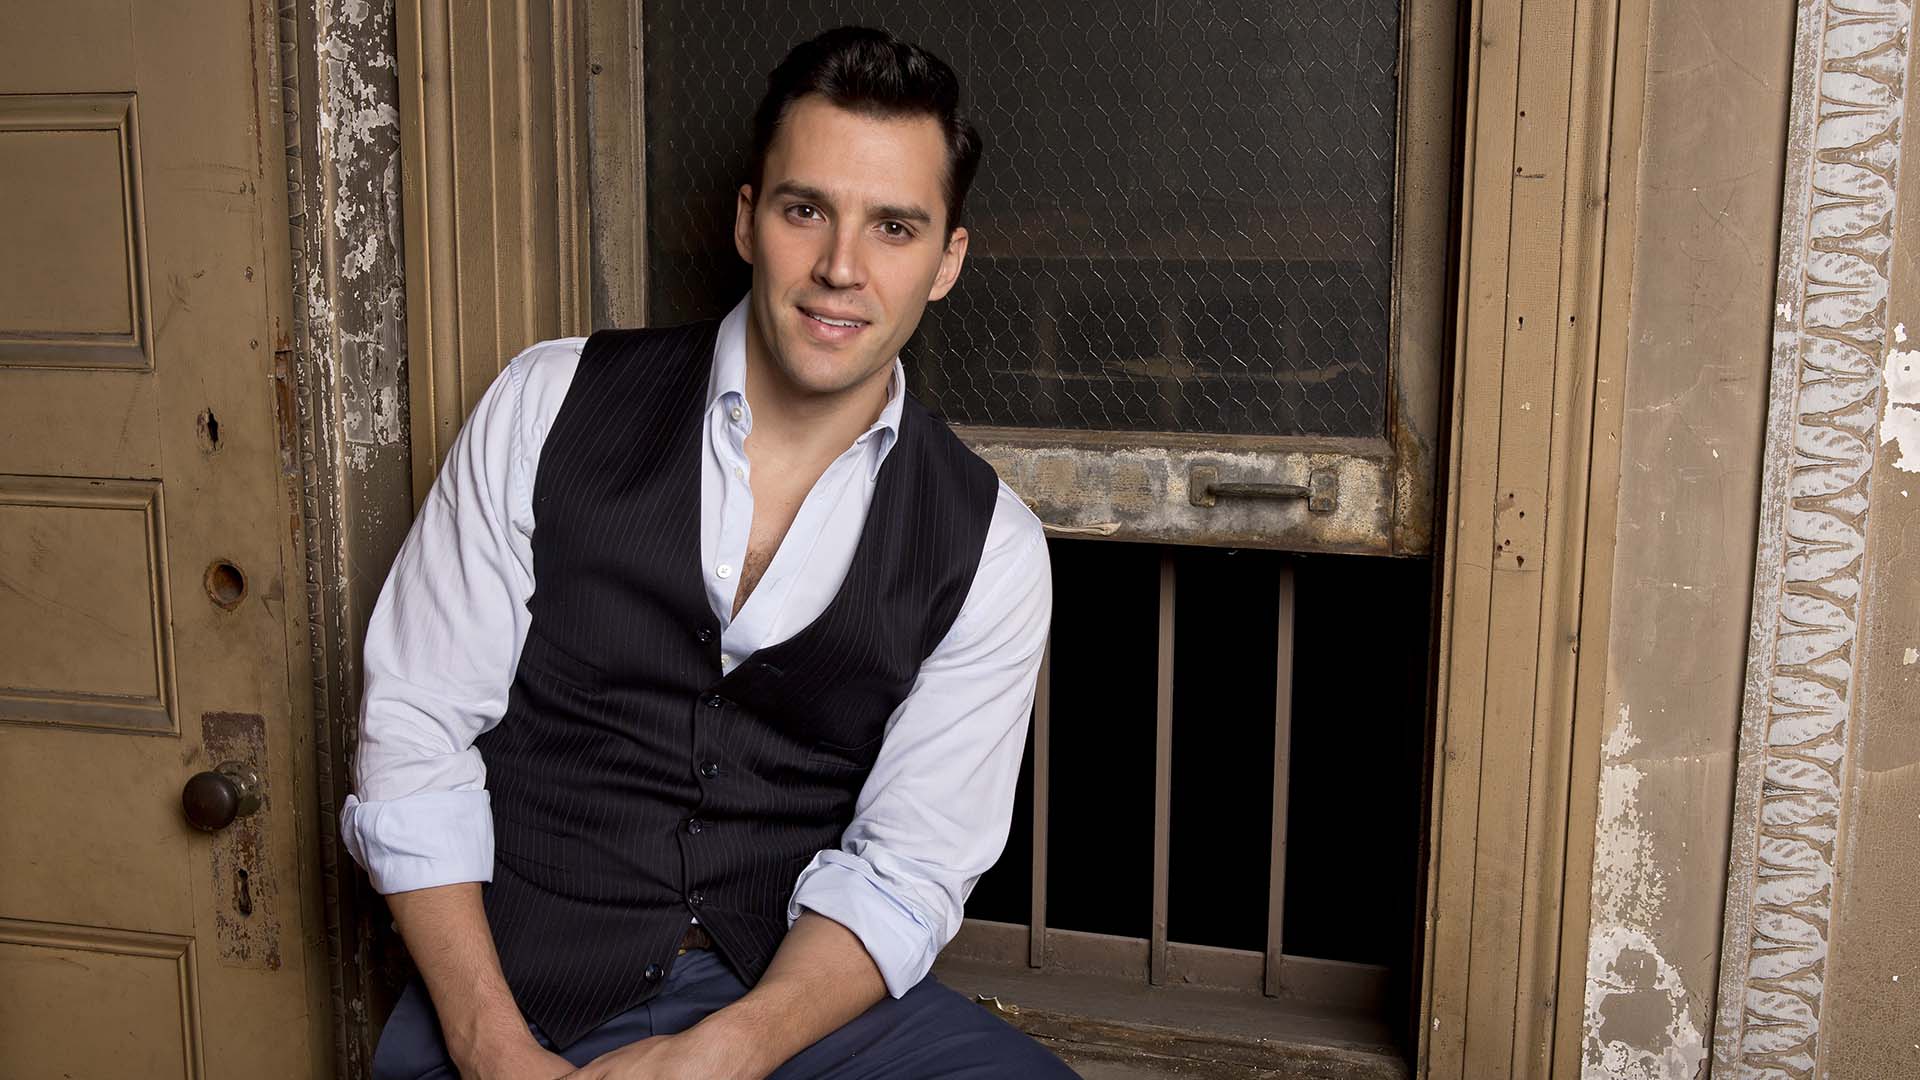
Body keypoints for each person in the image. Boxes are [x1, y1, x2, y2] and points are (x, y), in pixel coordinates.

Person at [341, 24, 1075, 1080]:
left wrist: (731, 1049)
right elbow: (413, 739)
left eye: (894, 227)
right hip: (515, 994)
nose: (841, 268)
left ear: (947, 261)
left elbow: (907, 869)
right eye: (805, 209)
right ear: (746, 220)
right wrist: (490, 1047)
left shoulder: (992, 550)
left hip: (789, 1003)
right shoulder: (548, 404)